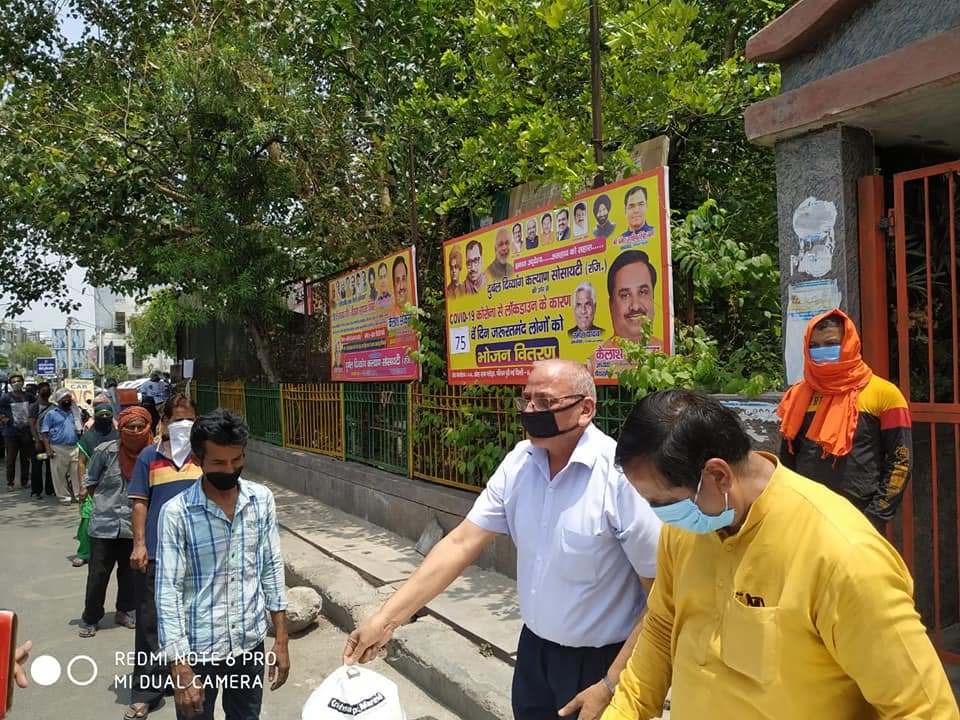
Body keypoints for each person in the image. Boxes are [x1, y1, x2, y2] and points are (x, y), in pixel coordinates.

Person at [601, 389, 959, 720]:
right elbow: (664, 627)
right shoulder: (689, 529)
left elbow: (924, 709)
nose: (658, 514)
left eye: (662, 502)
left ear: (717, 475)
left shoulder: (842, 556)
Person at [344, 360, 661, 720]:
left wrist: (611, 682)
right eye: (526, 399)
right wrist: (385, 621)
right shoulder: (519, 465)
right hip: (533, 657)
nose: (529, 410)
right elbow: (460, 544)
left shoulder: (619, 479)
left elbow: (661, 596)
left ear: (585, 409)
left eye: (544, 402)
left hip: (601, 664)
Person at [156, 410, 289, 720]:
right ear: (197, 459)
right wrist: (180, 666)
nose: (229, 470)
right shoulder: (176, 513)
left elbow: (271, 568)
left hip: (249, 645)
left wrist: (280, 640)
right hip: (198, 652)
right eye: (218, 463)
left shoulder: (261, 500)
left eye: (236, 460)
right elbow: (168, 591)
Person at [777, 309, 912, 532]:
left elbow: (901, 461)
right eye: (814, 346)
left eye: (831, 343)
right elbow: (787, 458)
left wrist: (875, 517)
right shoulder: (798, 395)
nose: (821, 351)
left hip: (859, 518)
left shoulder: (885, 394)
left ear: (849, 343)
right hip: (806, 516)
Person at [127, 393, 203, 720]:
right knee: (149, 622)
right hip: (158, 554)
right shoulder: (149, 456)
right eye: (178, 420)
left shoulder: (205, 457)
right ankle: (147, 690)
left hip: (199, 556)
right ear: (165, 423)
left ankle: (191, 681)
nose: (184, 425)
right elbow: (140, 502)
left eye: (190, 420)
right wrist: (139, 544)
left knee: (196, 621)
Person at [78, 406, 153, 638]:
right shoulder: (104, 451)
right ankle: (91, 617)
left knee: (130, 575)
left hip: (134, 527)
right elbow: (90, 482)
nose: (136, 431)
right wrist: (104, 503)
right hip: (104, 524)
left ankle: (124, 611)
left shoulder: (152, 454)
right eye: (131, 426)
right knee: (98, 575)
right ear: (122, 428)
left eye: (141, 426)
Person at [74, 399, 120, 568]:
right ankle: (83, 553)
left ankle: (110, 552)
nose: (106, 417)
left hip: (114, 484)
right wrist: (82, 486)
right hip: (92, 483)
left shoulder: (118, 436)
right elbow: (81, 462)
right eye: (102, 415)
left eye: (109, 415)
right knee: (87, 519)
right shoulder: (88, 438)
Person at [41, 388, 80, 503]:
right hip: (58, 448)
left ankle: (78, 496)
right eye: (64, 399)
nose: (67, 400)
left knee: (77, 473)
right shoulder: (51, 414)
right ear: (59, 400)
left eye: (69, 398)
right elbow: (45, 433)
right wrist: (48, 449)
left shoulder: (75, 412)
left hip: (75, 447)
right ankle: (64, 497)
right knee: (59, 475)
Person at [0, 372, 34, 489]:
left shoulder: (29, 397)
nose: (16, 383)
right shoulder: (6, 397)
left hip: (26, 432)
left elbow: (35, 409)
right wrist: (3, 418)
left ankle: (24, 481)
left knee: (25, 459)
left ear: (22, 382)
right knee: (10, 459)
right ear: (10, 384)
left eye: (18, 381)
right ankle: (10, 482)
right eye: (14, 382)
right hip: (11, 433)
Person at [28, 381, 55, 498]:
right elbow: (32, 424)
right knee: (37, 466)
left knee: (51, 466)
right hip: (39, 444)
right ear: (39, 392)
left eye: (47, 390)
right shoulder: (35, 406)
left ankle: (50, 490)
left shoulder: (53, 406)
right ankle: (36, 491)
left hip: (51, 442)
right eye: (44, 391)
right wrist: (37, 441)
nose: (46, 392)